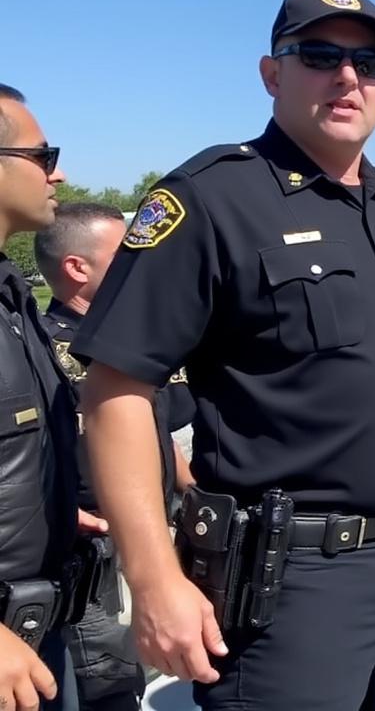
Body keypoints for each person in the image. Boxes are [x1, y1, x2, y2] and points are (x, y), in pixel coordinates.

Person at [70, 0, 375, 709]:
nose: (347, 77)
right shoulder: (211, 199)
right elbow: (117, 392)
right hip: (295, 585)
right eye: (319, 55)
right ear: (272, 73)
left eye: (367, 61)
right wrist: (156, 576)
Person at [33, 203, 197, 711]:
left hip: (158, 525)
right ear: (77, 269)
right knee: (109, 682)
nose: (139, 261)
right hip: (98, 548)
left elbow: (157, 429)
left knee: (149, 668)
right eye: (124, 252)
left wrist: (191, 491)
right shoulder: (44, 351)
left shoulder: (134, 343)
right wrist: (62, 511)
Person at [0, 83, 85, 711]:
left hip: (32, 625)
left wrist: (50, 504)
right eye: (44, 156)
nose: (60, 175)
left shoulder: (13, 298)